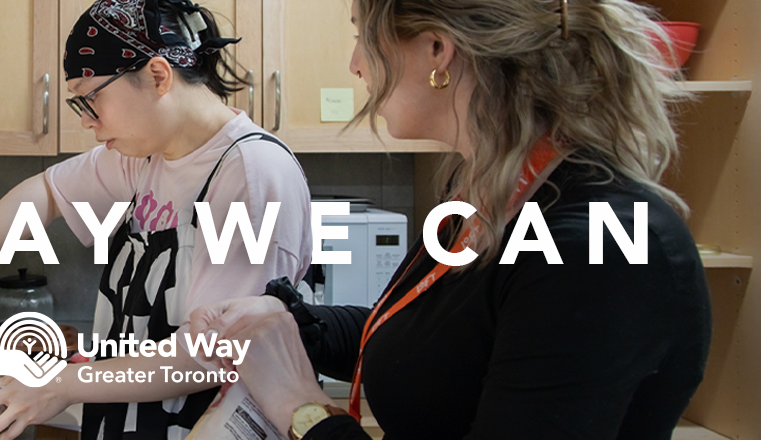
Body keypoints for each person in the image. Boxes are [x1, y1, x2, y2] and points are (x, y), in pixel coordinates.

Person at [189, 0, 710, 439]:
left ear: (437, 50)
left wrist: (302, 411)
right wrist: (295, 326)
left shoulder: (595, 245)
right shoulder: (486, 199)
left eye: (363, 39)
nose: (354, 65)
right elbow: (433, 350)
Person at [0, 1, 313, 439]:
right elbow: (46, 192)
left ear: (159, 76)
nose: (87, 121)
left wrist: (63, 384)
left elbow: (208, 354)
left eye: (92, 98)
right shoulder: (144, 156)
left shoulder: (251, 173)